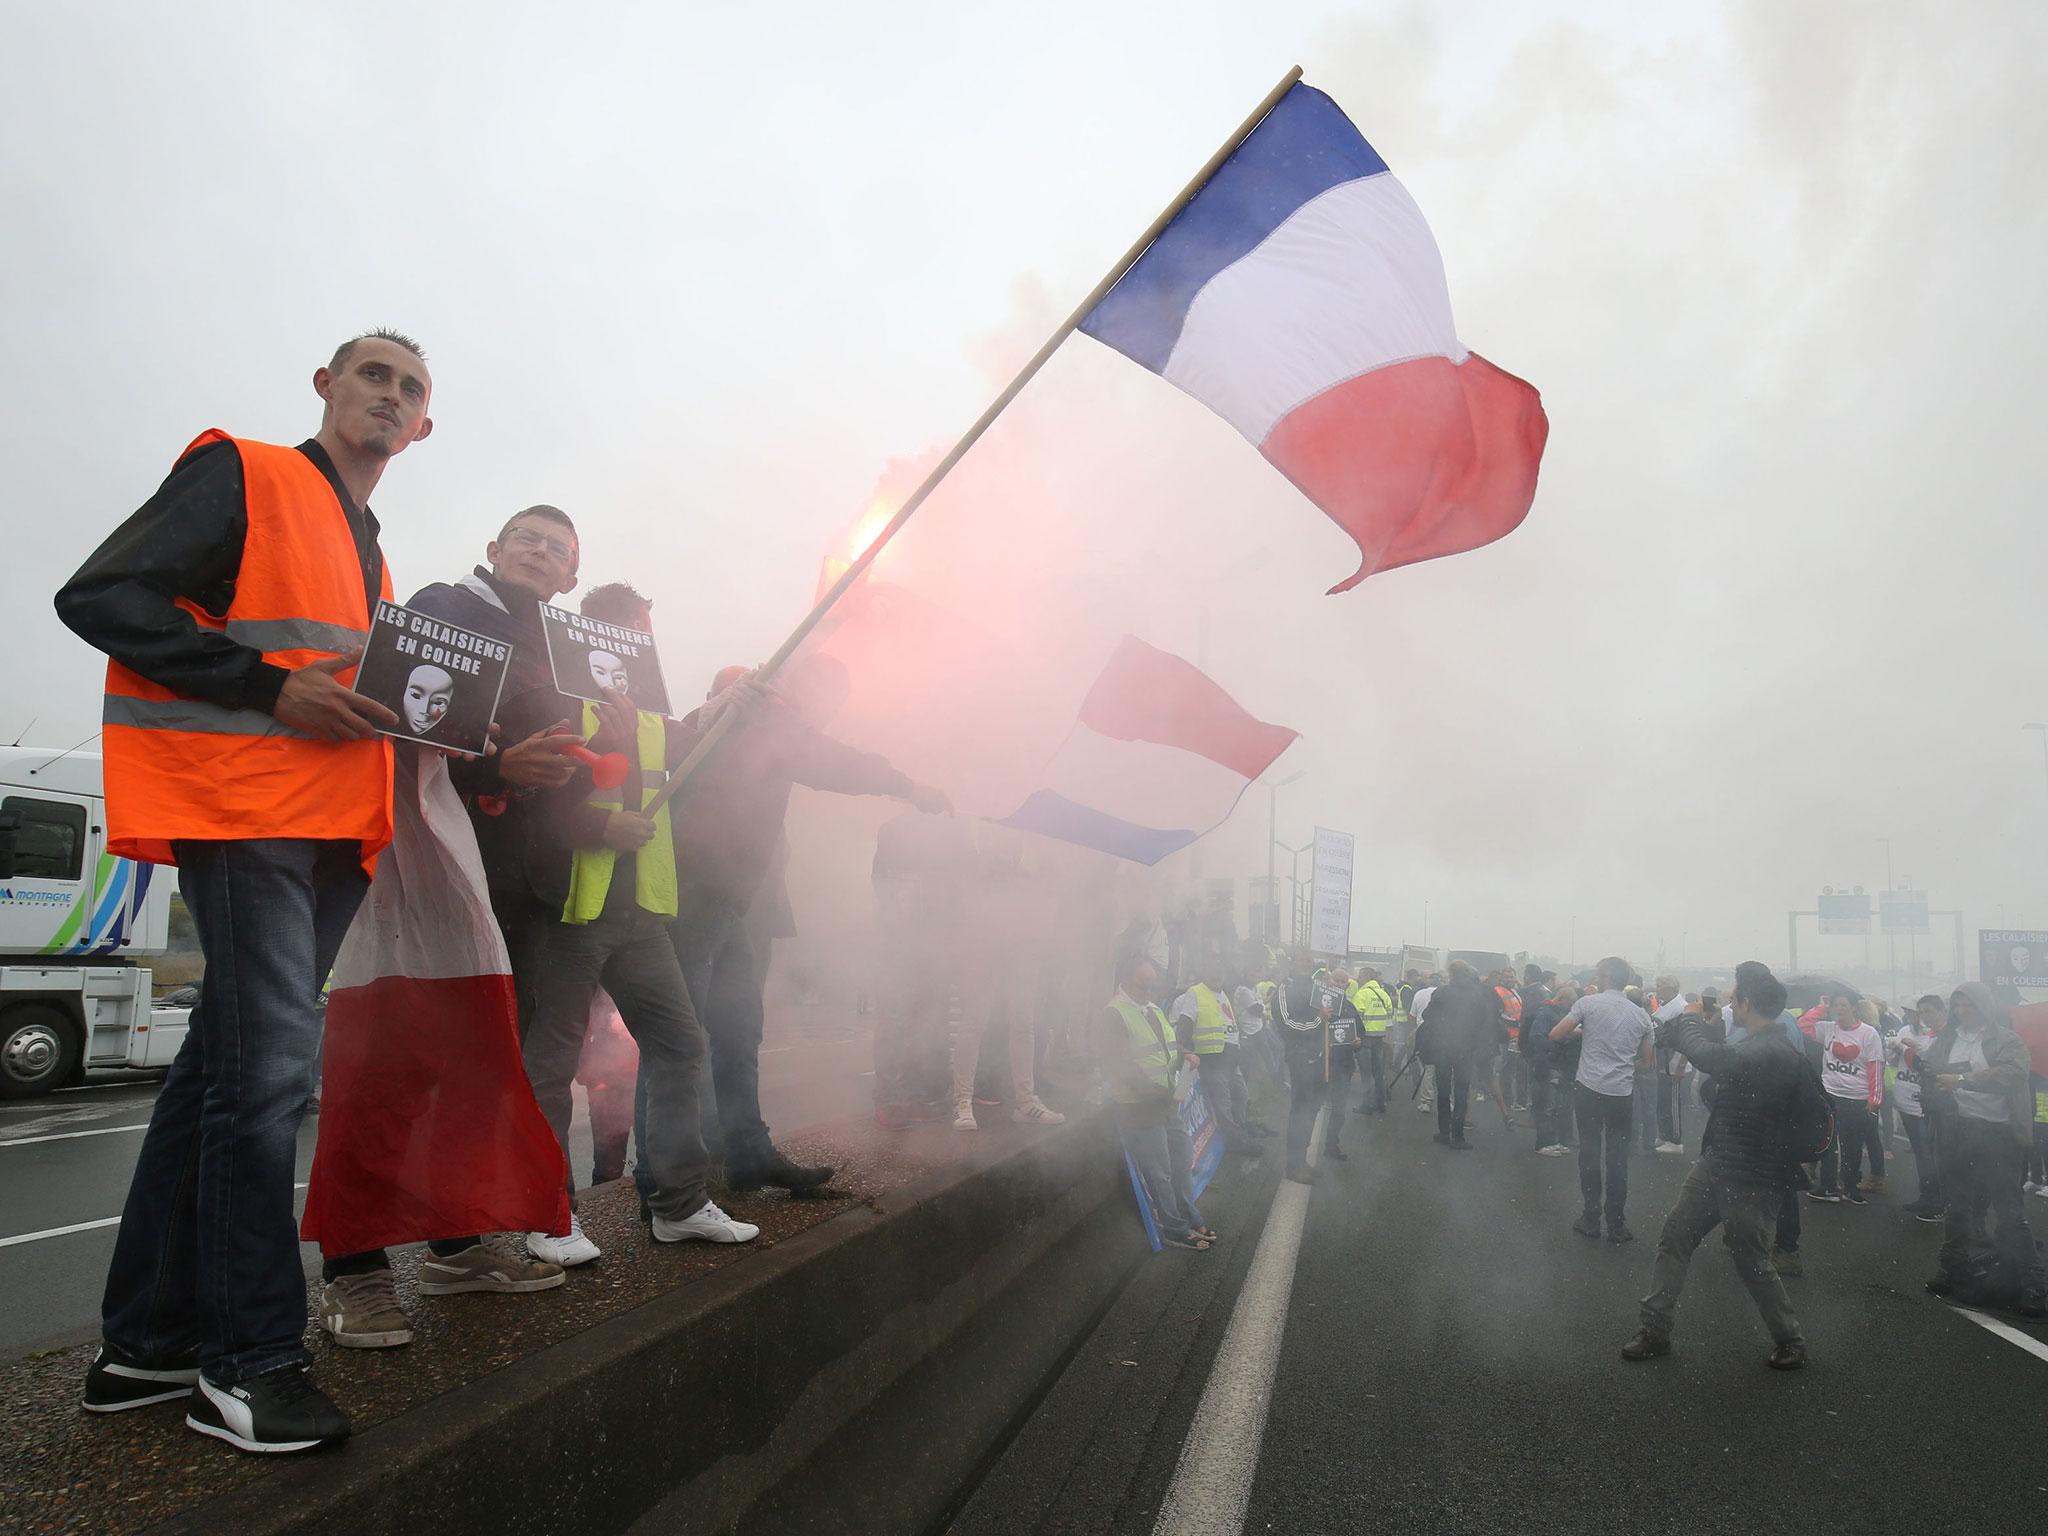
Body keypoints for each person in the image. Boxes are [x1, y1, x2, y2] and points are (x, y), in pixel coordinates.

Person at [59, 331, 431, 1451]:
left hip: (323, 833)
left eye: (410, 389)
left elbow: (352, 694)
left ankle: (146, 1347)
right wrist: (267, 689)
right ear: (326, 387)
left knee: (223, 1071)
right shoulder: (247, 472)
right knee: (267, 1078)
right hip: (246, 808)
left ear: (424, 427)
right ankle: (248, 1362)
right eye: (374, 374)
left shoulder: (371, 553)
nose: (391, 396)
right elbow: (104, 594)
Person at [310, 510, 588, 1351]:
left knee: (472, 1075)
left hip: (507, 890)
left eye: (560, 549)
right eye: (527, 539)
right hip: (425, 882)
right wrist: (501, 766)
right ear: (494, 552)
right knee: (389, 1070)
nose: (541, 553)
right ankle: (354, 1271)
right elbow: (406, 724)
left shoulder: (560, 648)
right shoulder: (449, 610)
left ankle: (458, 1249)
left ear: (571, 577)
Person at [500, 600, 763, 1258]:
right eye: (627, 633)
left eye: (642, 637)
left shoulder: (646, 718)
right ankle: (547, 1216)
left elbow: (685, 739)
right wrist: (598, 825)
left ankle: (677, 1205)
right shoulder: (548, 701)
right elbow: (531, 805)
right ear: (586, 633)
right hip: (571, 911)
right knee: (550, 1065)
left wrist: (725, 703)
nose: (636, 647)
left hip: (638, 911)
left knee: (680, 1044)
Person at [654, 646, 953, 1186]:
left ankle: (746, 1152)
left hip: (737, 901)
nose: (828, 716)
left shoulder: (768, 717)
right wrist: (910, 787)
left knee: (740, 1031)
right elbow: (835, 763)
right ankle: (677, 1175)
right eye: (830, 702)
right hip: (695, 894)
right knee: (683, 1039)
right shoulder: (759, 714)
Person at [1620, 961, 1808, 1370]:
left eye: (1733, 996)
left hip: (1755, 1172)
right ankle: (1654, 1330)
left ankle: (1790, 1338)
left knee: (1751, 1258)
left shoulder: (1773, 1046)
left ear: (1746, 1003)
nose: (1728, 1002)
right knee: (1676, 1235)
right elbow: (1723, 1068)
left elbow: (1712, 1057)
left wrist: (1685, 1024)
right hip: (1721, 1160)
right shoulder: (1755, 1040)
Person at [1920, 983, 2045, 1316]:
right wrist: (1928, 1075)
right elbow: (1931, 1068)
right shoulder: (1948, 1039)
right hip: (1957, 1130)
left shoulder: (2007, 1040)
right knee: (1958, 1206)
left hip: (1999, 1133)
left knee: (2008, 1210)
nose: (1962, 1012)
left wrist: (1962, 1080)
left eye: (1969, 1005)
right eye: (1958, 1005)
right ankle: (1953, 1269)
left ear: (1984, 1006)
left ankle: (2032, 1282)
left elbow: (2014, 1074)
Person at [1099, 956, 1213, 1250]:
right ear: (1125, 981)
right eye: (1144, 985)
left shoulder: (1151, 1009)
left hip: (1165, 1104)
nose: (1151, 991)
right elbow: (1121, 1066)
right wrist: (1158, 1094)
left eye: (1153, 985)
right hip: (1139, 1109)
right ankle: (1175, 1228)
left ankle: (1189, 1214)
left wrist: (1185, 1053)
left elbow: (1168, 1047)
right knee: (1160, 1172)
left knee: (1181, 1161)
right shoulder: (1114, 1015)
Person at [1552, 957, 1654, 1242]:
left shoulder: (1588, 1004)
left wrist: (1584, 1032)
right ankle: (1617, 1223)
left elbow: (1556, 1034)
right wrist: (1622, 1064)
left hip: (1589, 1088)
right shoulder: (1641, 1015)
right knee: (1618, 1158)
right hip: (1621, 1093)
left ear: (1607, 976)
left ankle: (1591, 1217)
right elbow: (1647, 1062)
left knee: (1589, 1153)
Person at [1171, 959, 1261, 1156]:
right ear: (1205, 971)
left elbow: (1228, 1025)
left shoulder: (1222, 994)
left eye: (1220, 971)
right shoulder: (1196, 992)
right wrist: (1185, 1051)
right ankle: (1236, 1143)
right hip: (1211, 1061)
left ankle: (1242, 1130)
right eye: (1212, 970)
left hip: (1230, 1061)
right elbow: (1184, 1026)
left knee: (1241, 1096)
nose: (1217, 975)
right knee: (1223, 1105)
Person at [1811, 994, 1884, 1204]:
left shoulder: (1868, 1034)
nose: (1839, 1009)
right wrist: (1820, 1007)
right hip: (1830, 1094)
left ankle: (1851, 1187)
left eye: (1843, 1005)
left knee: (1852, 1145)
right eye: (1835, 1005)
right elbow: (1804, 1025)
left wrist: (1874, 1098)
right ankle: (1829, 1186)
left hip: (1856, 1098)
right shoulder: (1828, 1028)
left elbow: (1876, 1065)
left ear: (1853, 1008)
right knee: (1827, 1141)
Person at [1422, 961, 1493, 1150]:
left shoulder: (1441, 992)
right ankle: (1458, 1135)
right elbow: (1483, 1021)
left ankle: (1444, 1133)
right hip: (1466, 1049)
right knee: (1461, 1092)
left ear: (1451, 973)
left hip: (1443, 1047)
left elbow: (1427, 1015)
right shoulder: (1477, 995)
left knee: (1443, 1091)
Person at [1276, 952, 1333, 1183]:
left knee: (1312, 1110)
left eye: (1308, 961)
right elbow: (1286, 1023)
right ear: (1293, 962)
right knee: (1300, 1112)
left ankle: (1302, 1161)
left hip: (1319, 1057)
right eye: (1301, 959)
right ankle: (1293, 1167)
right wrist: (1319, 1020)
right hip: (1300, 1059)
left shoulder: (1317, 987)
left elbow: (1327, 1017)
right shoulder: (1284, 988)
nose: (1305, 963)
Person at [1891, 994, 1944, 1219]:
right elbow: (1893, 1061)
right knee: (1921, 1154)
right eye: (1914, 1011)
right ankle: (1926, 1197)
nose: (1915, 1016)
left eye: (1923, 1012)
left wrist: (1912, 1048)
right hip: (1904, 1097)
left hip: (1925, 1103)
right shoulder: (1904, 1031)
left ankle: (1936, 1202)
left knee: (1928, 1153)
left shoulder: (1937, 1035)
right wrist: (1895, 1050)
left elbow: (1930, 1065)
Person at [1525, 981, 1573, 1155]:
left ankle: (1552, 1140)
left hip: (1552, 1062)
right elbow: (1536, 1038)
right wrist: (1560, 1043)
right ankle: (1543, 1143)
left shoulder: (1551, 1012)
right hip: (1545, 1063)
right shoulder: (1545, 1013)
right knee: (1547, 1104)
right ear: (1563, 999)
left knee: (1554, 1104)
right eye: (1570, 1004)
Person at [1643, 975, 1685, 1154]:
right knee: (1663, 1101)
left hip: (1674, 1062)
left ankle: (1676, 1141)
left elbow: (1685, 1039)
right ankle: (1665, 1135)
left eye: (1660, 986)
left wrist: (1681, 1065)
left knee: (1672, 1102)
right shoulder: (1665, 1005)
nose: (1657, 989)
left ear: (1670, 987)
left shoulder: (1680, 1007)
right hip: (1662, 1060)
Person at [1349, 966, 1395, 1113]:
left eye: (1360, 976)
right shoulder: (1383, 993)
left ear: (1366, 977)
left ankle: (1367, 1105)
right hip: (1379, 1038)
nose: (1358, 979)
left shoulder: (1361, 994)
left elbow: (1356, 1016)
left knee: (1366, 1073)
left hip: (1364, 1038)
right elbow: (1389, 1011)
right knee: (1378, 1072)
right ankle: (1380, 1104)